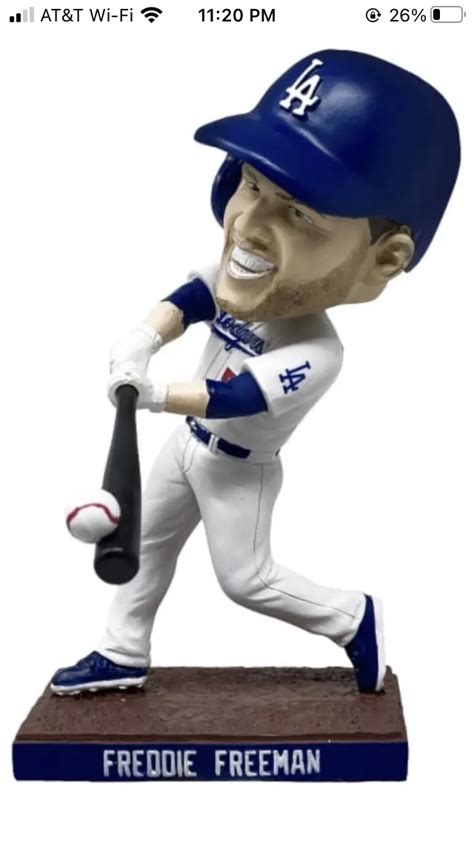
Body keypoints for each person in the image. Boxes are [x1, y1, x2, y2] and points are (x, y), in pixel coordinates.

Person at [50, 49, 460, 696]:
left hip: (239, 469)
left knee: (246, 579)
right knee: (146, 542)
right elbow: (191, 299)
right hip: (186, 447)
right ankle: (122, 649)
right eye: (251, 185)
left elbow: (234, 397)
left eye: (299, 213)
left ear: (384, 258)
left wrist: (154, 394)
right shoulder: (242, 281)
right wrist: (140, 339)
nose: (248, 226)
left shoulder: (317, 350)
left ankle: (351, 616)